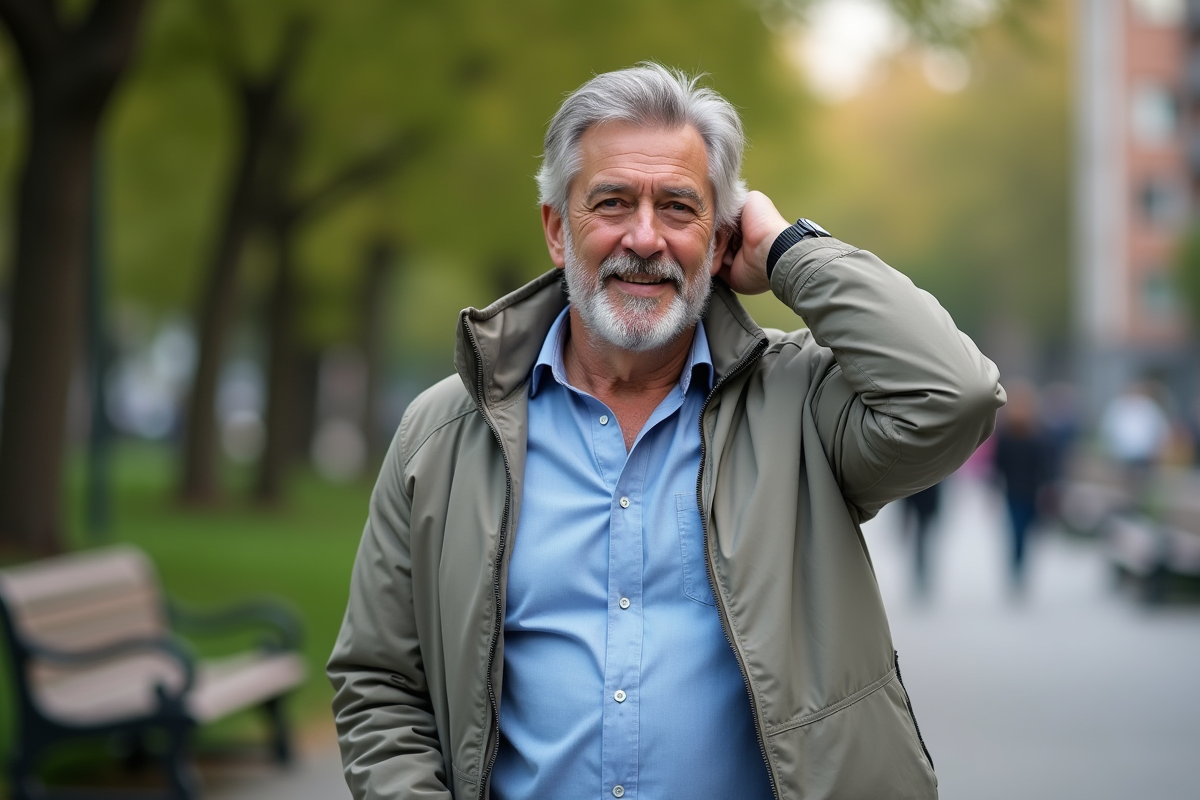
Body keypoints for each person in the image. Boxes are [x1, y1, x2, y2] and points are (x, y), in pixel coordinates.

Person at [327, 63, 1003, 800]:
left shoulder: (801, 407)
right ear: (558, 230)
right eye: (612, 202)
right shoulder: (441, 436)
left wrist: (787, 250)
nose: (644, 238)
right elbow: (381, 682)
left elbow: (954, 396)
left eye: (679, 208)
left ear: (718, 243)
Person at [991, 380, 1052, 594]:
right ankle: (1017, 570)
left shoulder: (1036, 433)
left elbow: (1045, 465)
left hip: (1030, 492)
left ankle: (1019, 570)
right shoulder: (1007, 435)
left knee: (1024, 532)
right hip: (1015, 492)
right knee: (1017, 532)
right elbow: (998, 465)